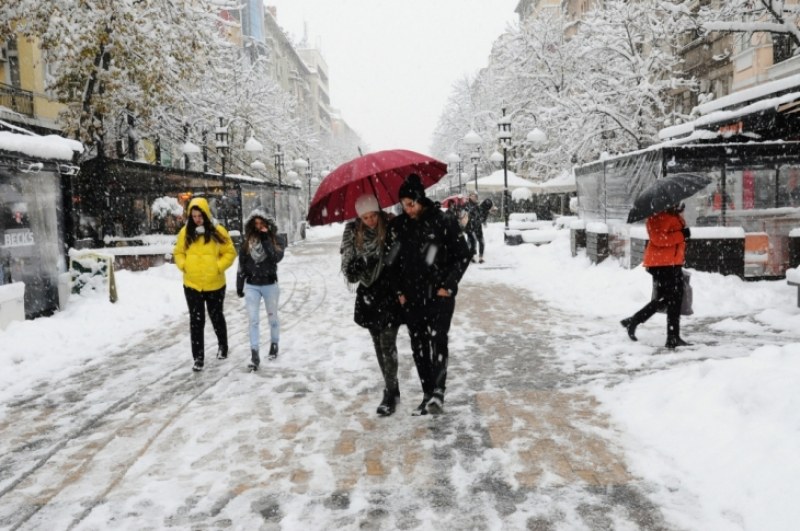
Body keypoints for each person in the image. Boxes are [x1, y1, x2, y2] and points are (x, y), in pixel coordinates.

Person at [387, 174, 472, 415]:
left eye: (411, 204)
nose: (408, 209)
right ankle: (427, 393)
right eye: (403, 205)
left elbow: (463, 254)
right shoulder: (400, 226)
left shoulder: (443, 221)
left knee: (438, 339)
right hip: (412, 297)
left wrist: (448, 285)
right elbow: (391, 263)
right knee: (419, 344)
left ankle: (438, 392)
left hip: (439, 294)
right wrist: (400, 292)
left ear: (420, 200)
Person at [340, 194, 402, 416]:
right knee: (377, 343)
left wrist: (388, 254)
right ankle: (392, 387)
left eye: (373, 215)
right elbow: (349, 271)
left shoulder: (391, 226)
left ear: (378, 212)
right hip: (368, 293)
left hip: (389, 292)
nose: (370, 221)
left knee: (388, 344)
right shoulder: (351, 233)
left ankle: (390, 390)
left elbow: (401, 257)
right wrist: (361, 263)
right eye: (365, 217)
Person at [173, 197, 237, 371]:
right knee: (196, 321)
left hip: (214, 284)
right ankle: (198, 357)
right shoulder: (185, 233)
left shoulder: (218, 231)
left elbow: (230, 253)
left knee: (216, 317)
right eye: (193, 216)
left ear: (206, 214)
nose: (197, 219)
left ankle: (223, 346)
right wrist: (184, 265)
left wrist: (218, 267)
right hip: (192, 284)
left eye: (200, 216)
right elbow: (178, 252)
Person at [620, 203, 692, 349]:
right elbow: (658, 239)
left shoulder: (671, 215)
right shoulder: (657, 216)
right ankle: (670, 336)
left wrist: (682, 234)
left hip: (671, 262)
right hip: (662, 264)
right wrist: (681, 235)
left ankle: (671, 336)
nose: (680, 204)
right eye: (677, 202)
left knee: (671, 299)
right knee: (670, 298)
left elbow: (673, 236)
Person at [236, 209, 285, 371]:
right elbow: (242, 263)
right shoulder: (247, 242)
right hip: (252, 285)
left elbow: (275, 258)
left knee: (272, 318)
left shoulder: (276, 240)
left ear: (268, 224)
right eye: (255, 224)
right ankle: (254, 353)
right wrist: (239, 283)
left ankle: (274, 343)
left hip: (270, 284)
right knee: (253, 320)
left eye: (262, 224)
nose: (258, 227)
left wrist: (265, 239)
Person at [464, 192, 485, 263]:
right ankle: (471, 256)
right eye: (472, 196)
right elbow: (465, 216)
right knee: (471, 242)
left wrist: (481, 219)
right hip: (470, 227)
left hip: (478, 227)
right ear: (469, 197)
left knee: (481, 242)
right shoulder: (466, 205)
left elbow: (481, 215)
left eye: (475, 196)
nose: (474, 197)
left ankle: (481, 257)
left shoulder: (478, 206)